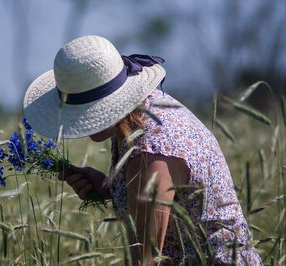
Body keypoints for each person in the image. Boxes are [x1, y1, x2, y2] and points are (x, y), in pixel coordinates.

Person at [23, 35, 263, 265]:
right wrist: (110, 187)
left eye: (85, 112)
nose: (82, 124)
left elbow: (145, 261)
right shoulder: (139, 115)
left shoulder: (152, 152)